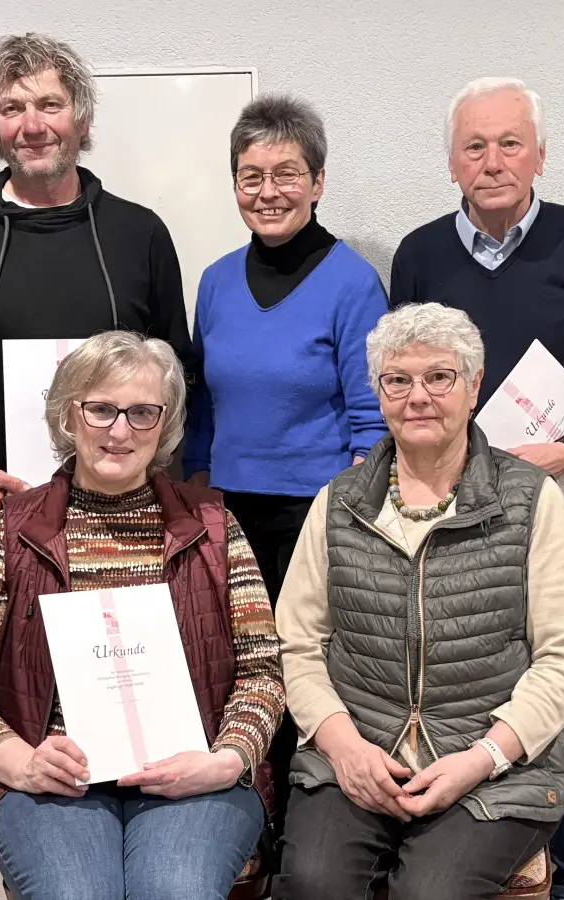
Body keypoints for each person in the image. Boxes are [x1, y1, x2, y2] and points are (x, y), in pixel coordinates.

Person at [389, 76, 564, 900]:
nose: (493, 160)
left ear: (540, 154)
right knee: (461, 702)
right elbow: (403, 385)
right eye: (475, 145)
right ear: (451, 162)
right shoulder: (421, 254)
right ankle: (488, 870)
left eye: (510, 143)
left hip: (563, 514)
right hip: (452, 518)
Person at [0, 331, 285, 899]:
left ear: (165, 424)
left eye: (142, 412)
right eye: (101, 410)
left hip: (196, 773)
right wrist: (18, 761)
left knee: (175, 891)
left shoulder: (215, 527)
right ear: (69, 416)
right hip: (55, 777)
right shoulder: (11, 532)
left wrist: (228, 758)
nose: (120, 431)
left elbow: (262, 672)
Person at [273, 303, 564, 900]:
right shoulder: (337, 502)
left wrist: (481, 758)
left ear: (474, 386)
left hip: (495, 769)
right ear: (379, 392)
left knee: (429, 894)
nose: (417, 396)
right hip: (357, 756)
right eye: (398, 380)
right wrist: (345, 749)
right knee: (314, 884)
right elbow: (298, 642)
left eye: (439, 377)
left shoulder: (530, 499)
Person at [184, 92, 387, 830]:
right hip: (227, 511)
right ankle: (249, 821)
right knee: (240, 670)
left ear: (318, 181)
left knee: (308, 671)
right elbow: (200, 403)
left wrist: (358, 516)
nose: (267, 191)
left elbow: (373, 415)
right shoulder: (212, 281)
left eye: (286, 172)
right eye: (250, 175)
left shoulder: (354, 283)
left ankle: (310, 828)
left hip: (318, 512)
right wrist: (196, 490)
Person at [0, 32, 190, 556]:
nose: (32, 125)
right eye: (12, 108)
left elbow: (179, 375)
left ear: (81, 122)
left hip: (127, 521)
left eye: (50, 104)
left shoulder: (140, 234)